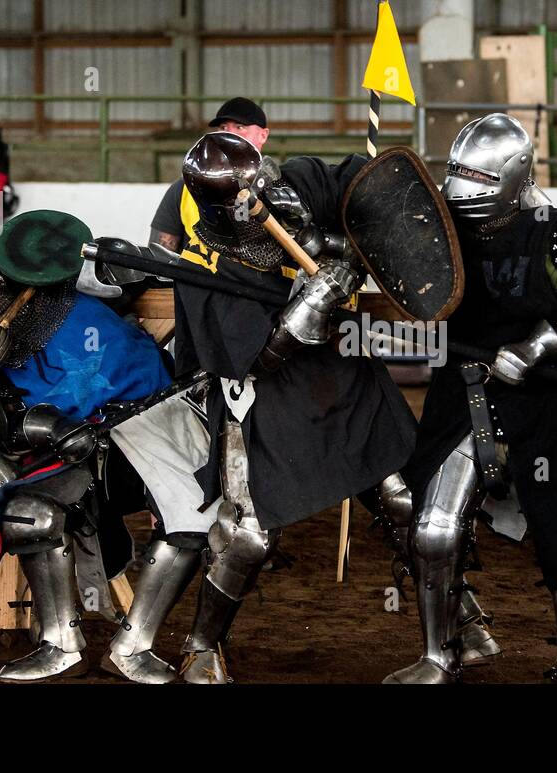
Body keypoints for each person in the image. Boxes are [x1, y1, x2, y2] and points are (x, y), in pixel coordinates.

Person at [384, 114, 557, 684]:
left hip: (542, 396)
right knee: (433, 530)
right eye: (457, 172)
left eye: (479, 176)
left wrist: (539, 344)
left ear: (513, 174)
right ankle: (439, 655)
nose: (465, 188)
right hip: (461, 390)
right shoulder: (442, 228)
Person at [160, 132, 418, 683]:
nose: (262, 197)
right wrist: (311, 305)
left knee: (402, 497)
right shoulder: (203, 265)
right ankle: (201, 647)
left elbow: (362, 182)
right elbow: (252, 360)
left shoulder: (296, 183)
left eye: (262, 181)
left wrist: (347, 245)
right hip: (262, 397)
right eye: (248, 194)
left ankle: (457, 619)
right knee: (252, 534)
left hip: (340, 374)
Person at [0, 211, 173, 682]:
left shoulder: (83, 295)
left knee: (193, 522)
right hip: (69, 451)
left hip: (147, 428)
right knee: (28, 514)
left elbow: (141, 310)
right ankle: (60, 643)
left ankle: (137, 645)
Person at [148, 97, 271, 254]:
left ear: (263, 135)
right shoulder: (185, 188)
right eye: (223, 127)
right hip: (197, 275)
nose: (229, 134)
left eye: (240, 127)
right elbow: (158, 257)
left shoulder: (280, 188)